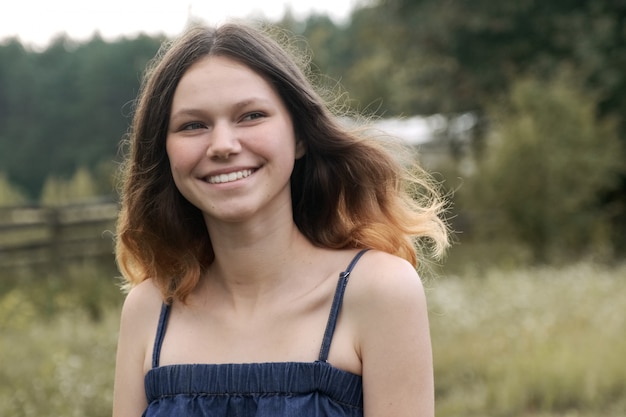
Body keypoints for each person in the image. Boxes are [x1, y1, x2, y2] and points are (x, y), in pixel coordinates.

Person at [112, 22, 449, 417]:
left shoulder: (379, 291)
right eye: (193, 125)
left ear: (300, 136)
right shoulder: (149, 310)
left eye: (251, 115)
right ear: (165, 152)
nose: (223, 145)